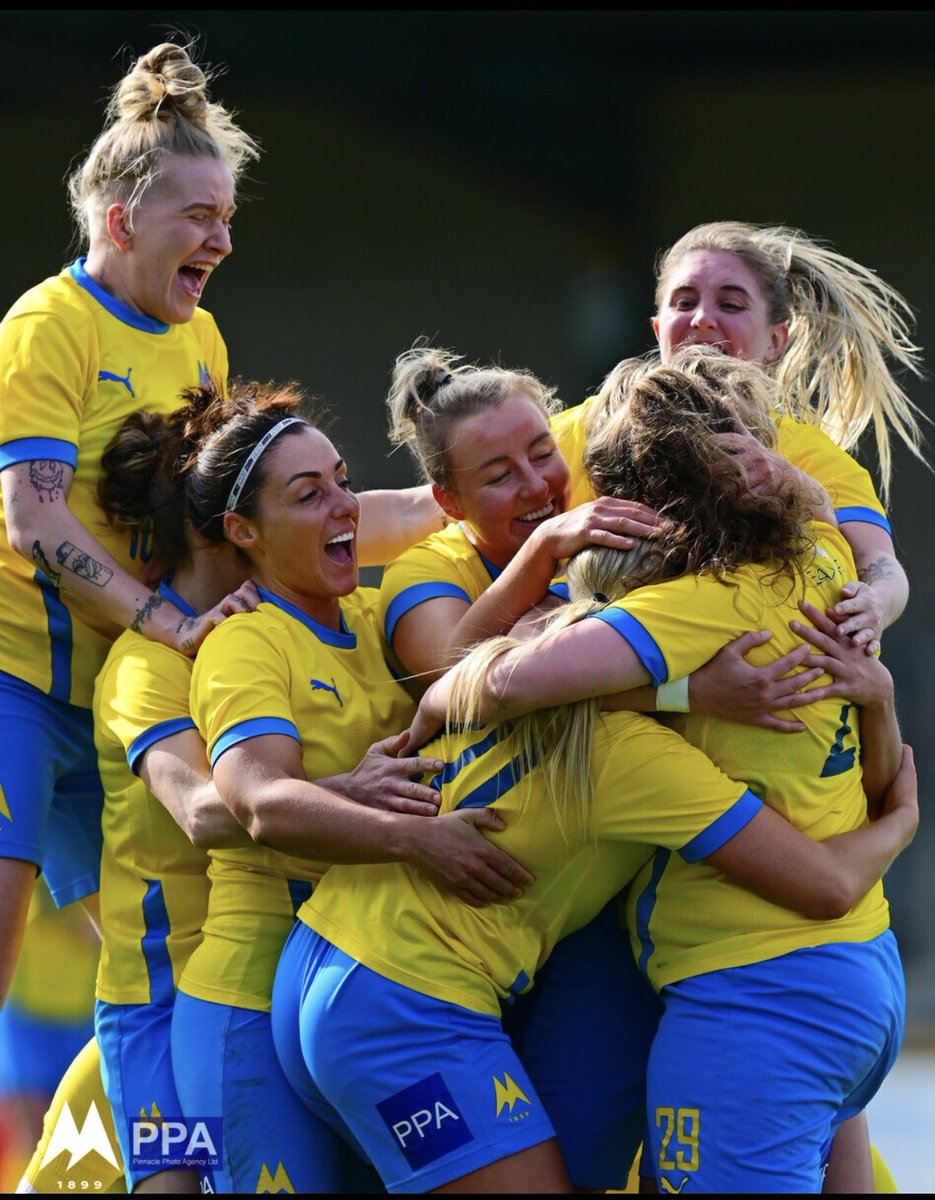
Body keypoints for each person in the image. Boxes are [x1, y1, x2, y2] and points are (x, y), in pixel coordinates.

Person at [0, 38, 445, 1014]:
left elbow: (228, 510)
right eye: (199, 217)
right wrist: (172, 626)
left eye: (228, 218)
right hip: (19, 684)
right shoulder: (47, 327)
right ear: (121, 219)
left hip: (121, 687)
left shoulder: (199, 334)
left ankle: (118, 1158)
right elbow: (31, 517)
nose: (223, 242)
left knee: (134, 958)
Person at [269, 523, 916, 1193]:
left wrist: (683, 694)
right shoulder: (635, 756)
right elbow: (823, 884)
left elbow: (455, 688)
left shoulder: (515, 661)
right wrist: (900, 822)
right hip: (401, 1011)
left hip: (322, 968)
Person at [407, 347, 911, 1191]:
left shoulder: (693, 606)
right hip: (857, 971)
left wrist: (646, 676)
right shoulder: (823, 551)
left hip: (757, 989)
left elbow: (478, 686)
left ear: (636, 498)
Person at [169, 380, 528, 1193]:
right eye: (309, 494)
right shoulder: (244, 642)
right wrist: (414, 837)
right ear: (243, 532)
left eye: (341, 480)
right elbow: (257, 802)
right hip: (250, 1006)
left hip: (359, 984)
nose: (343, 506)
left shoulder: (378, 614)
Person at [380, 341, 658, 691]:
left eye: (543, 454)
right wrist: (542, 547)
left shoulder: (596, 516)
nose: (536, 486)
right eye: (499, 476)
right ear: (449, 502)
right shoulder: (420, 571)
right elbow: (455, 683)